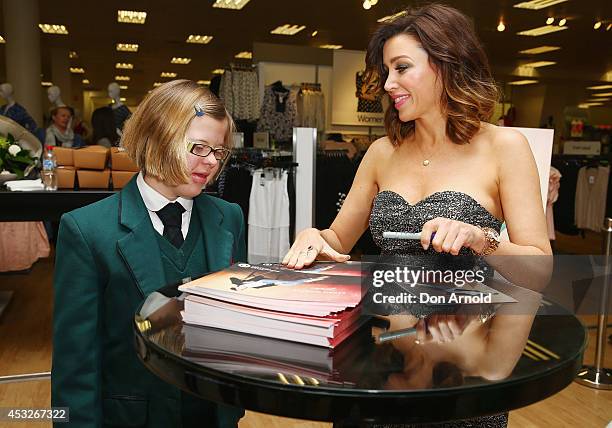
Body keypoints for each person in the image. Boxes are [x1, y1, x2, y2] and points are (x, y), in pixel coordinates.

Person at [283, 5, 551, 426]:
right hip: (381, 364)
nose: (388, 84)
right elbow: (338, 240)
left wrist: (482, 239)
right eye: (386, 71)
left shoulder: (505, 148)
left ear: (446, 64)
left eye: (401, 68)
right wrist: (315, 239)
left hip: (460, 369)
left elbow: (539, 269)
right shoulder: (381, 152)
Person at [52, 79, 245, 427]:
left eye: (219, 152)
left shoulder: (228, 217)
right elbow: (75, 362)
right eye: (198, 147)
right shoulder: (87, 230)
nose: (211, 163)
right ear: (156, 139)